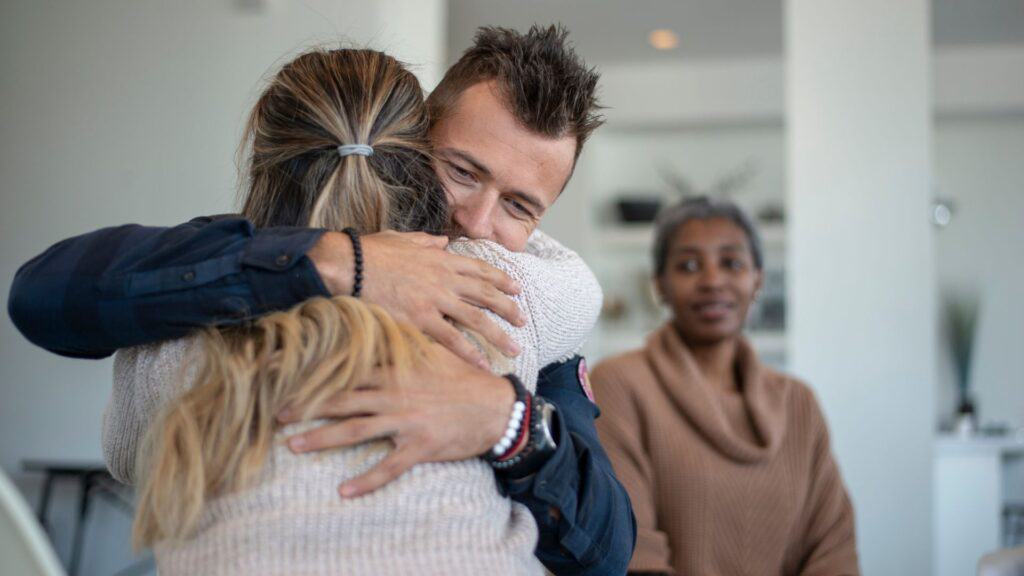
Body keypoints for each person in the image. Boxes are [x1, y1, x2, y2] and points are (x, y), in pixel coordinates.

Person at [7, 25, 634, 574]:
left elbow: (606, 552)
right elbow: (43, 296)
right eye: (462, 171)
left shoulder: (514, 304)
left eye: (519, 207)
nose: (475, 219)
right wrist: (337, 262)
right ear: (410, 140)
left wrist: (510, 425)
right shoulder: (234, 256)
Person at [591, 197, 859, 576]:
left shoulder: (798, 402)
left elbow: (834, 549)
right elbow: (631, 552)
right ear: (660, 285)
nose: (712, 280)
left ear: (758, 280)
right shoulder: (619, 385)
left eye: (731, 263)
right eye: (688, 265)